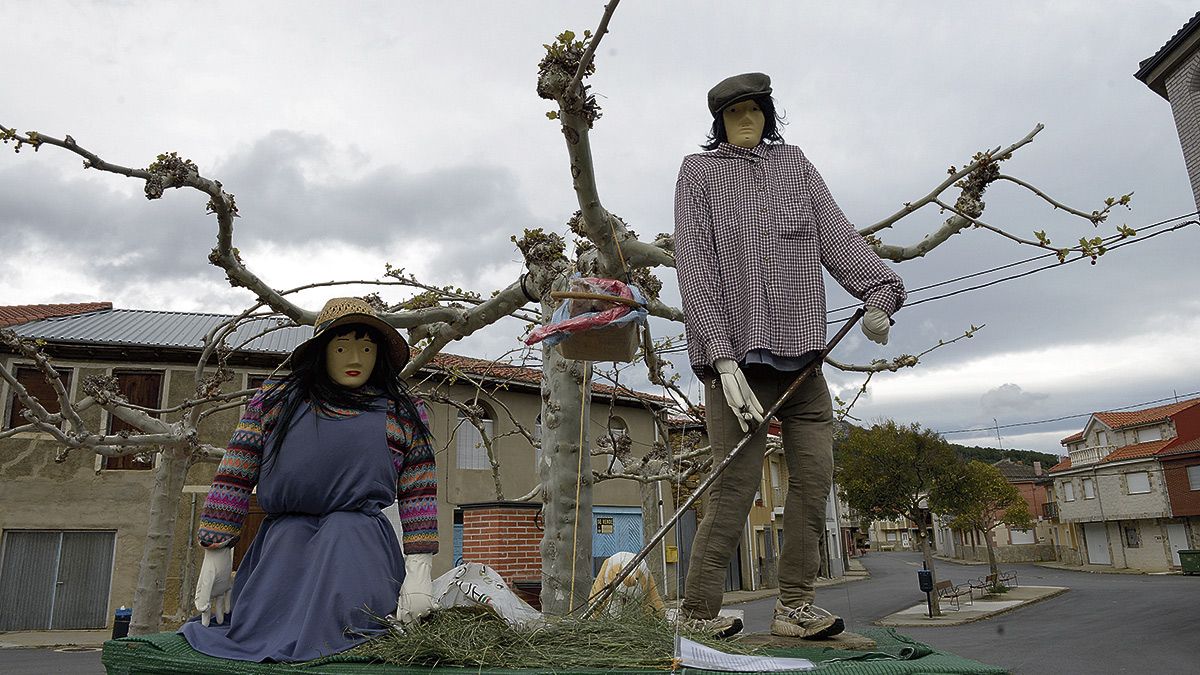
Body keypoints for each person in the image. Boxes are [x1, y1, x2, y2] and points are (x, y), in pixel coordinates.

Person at [673, 73, 905, 639]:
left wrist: (878, 293)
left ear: (769, 115)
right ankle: (699, 612)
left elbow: (835, 234)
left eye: (754, 110)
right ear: (720, 123)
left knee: (815, 477)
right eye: (734, 114)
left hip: (803, 362)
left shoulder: (796, 166)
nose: (746, 120)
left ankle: (794, 604)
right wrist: (720, 358)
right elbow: (694, 265)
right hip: (737, 370)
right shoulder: (698, 173)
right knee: (736, 486)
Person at [180, 297, 438, 662]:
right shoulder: (274, 402)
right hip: (283, 543)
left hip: (358, 543)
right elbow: (235, 475)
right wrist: (217, 550)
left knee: (347, 557)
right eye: (342, 346)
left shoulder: (404, 412)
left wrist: (419, 571)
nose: (355, 359)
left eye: (366, 348)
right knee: (263, 617)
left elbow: (420, 493)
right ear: (322, 350)